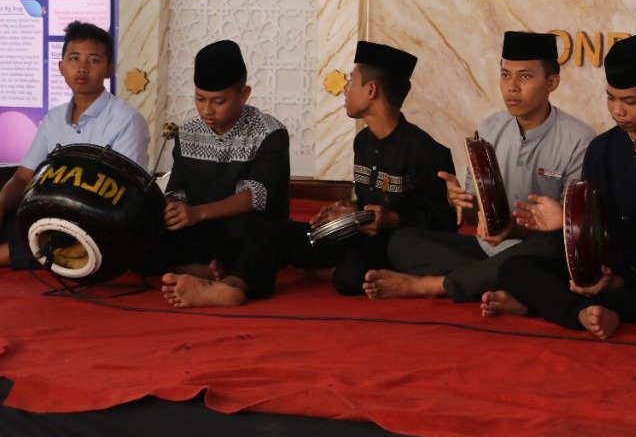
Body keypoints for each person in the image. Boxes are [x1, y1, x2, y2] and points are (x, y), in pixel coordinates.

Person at [160, 40, 455, 307]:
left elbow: (444, 222)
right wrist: (349, 210)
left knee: (352, 274)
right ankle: (232, 286)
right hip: (358, 238)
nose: (344, 89)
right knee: (274, 232)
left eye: (351, 82)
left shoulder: (425, 150)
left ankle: (324, 271)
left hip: (395, 246)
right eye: (200, 99)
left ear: (371, 90)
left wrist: (392, 219)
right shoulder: (363, 141)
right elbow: (370, 202)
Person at [482, 33, 636, 339]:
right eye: (611, 98)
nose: (617, 111)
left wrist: (620, 279)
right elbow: (591, 224)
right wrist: (568, 221)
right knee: (515, 268)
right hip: (600, 266)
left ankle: (552, 306)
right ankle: (585, 312)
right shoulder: (601, 148)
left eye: (629, 101)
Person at [363, 31, 594, 302]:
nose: (512, 87)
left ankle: (434, 285)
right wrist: (460, 201)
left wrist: (514, 229)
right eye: (505, 75)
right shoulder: (489, 128)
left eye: (525, 76)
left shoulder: (579, 139)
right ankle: (500, 281)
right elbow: (476, 215)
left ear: (552, 82)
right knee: (402, 243)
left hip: (534, 248)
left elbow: (572, 230)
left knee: (553, 248)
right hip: (488, 250)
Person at [0, 21, 150, 268]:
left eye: (93, 60)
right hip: (51, 214)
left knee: (60, 238)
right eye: (74, 58)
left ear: (109, 70)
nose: (82, 68)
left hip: (100, 220)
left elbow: (126, 194)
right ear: (61, 67)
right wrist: (2, 204)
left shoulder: (127, 120)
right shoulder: (54, 118)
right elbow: (23, 177)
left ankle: (12, 254)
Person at [137, 40, 289, 277]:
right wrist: (173, 208)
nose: (207, 110)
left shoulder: (270, 132)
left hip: (242, 226)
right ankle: (203, 269)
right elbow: (178, 188)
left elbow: (257, 196)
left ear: (243, 94)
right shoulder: (187, 132)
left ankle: (193, 268)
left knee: (251, 231)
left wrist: (199, 212)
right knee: (136, 232)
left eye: (219, 101)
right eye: (200, 99)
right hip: (198, 226)